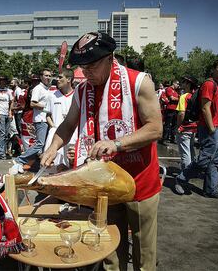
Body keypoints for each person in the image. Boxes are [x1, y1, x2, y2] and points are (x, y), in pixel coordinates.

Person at [41, 32, 163, 271]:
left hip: (140, 180)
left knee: (143, 251)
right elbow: (68, 124)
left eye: (92, 66)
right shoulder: (82, 90)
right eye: (82, 68)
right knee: (108, 248)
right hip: (104, 182)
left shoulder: (139, 82)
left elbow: (155, 128)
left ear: (111, 58)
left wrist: (117, 143)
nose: (86, 73)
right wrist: (53, 147)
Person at [174, 59, 218, 199]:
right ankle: (181, 178)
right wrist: (211, 129)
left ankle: (211, 189)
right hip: (211, 128)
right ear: (213, 69)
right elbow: (205, 108)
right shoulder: (209, 84)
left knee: (216, 161)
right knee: (204, 159)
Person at [12, 69, 52, 173]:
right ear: (41, 77)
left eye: (50, 75)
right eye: (46, 75)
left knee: (43, 145)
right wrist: (47, 107)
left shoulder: (47, 89)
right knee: (40, 144)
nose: (48, 77)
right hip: (40, 119)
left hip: (46, 119)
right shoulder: (38, 88)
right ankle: (20, 159)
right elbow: (32, 104)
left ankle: (36, 166)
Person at [44, 68, 76, 169]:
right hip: (56, 136)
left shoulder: (77, 95)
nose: (57, 79)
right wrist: (53, 127)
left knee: (72, 165)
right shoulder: (52, 96)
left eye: (60, 77)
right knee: (55, 166)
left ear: (69, 79)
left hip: (73, 136)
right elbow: (48, 115)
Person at [175, 76, 198, 171]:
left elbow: (181, 113)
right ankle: (193, 170)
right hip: (194, 127)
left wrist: (178, 126)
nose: (182, 83)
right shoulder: (195, 96)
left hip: (184, 128)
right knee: (191, 150)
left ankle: (185, 174)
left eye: (183, 82)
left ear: (188, 84)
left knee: (185, 153)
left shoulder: (184, 96)